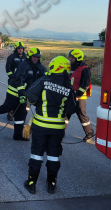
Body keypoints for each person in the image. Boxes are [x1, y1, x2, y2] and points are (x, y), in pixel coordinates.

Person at [23, 56, 76, 194]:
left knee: (36, 154)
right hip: (57, 128)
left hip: (40, 125)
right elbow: (71, 109)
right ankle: (51, 184)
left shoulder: (44, 81)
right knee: (53, 155)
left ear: (54, 67)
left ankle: (31, 183)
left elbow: (31, 98)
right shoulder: (68, 87)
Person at [0, 47, 45, 141]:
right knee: (4, 109)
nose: (36, 58)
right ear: (30, 56)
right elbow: (20, 80)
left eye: (37, 57)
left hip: (23, 95)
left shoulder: (39, 67)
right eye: (34, 57)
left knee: (21, 114)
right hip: (14, 92)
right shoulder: (24, 65)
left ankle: (17, 135)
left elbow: (45, 76)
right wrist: (22, 93)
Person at [65, 49, 94, 142]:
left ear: (78, 58)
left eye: (72, 57)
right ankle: (60, 132)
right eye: (70, 57)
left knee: (82, 115)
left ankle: (89, 134)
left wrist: (77, 95)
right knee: (66, 113)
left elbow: (85, 84)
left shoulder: (85, 69)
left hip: (80, 97)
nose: (70, 59)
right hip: (70, 95)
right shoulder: (70, 67)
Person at [5, 41, 27, 120]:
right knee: (12, 98)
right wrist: (11, 78)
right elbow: (8, 68)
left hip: (23, 82)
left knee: (21, 97)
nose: (20, 50)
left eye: (22, 48)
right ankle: (10, 114)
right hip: (13, 82)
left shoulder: (26, 57)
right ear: (16, 49)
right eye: (19, 48)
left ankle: (16, 112)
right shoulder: (12, 57)